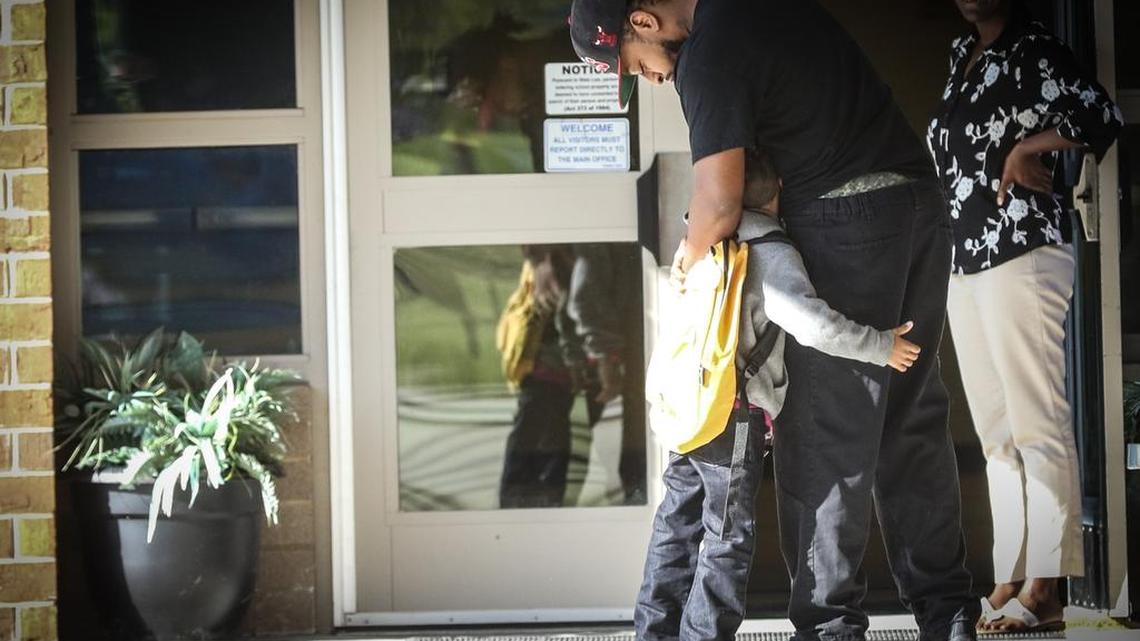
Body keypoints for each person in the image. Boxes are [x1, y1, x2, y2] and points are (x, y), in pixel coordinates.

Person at [568, 1, 978, 640]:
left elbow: (719, 198)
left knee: (824, 438)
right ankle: (949, 619)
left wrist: (687, 261)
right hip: (919, 203)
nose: (648, 79)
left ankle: (830, 628)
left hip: (849, 224)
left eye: (631, 66)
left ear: (642, 21)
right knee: (912, 421)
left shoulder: (708, 53)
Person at [635, 148, 922, 640]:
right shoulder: (768, 250)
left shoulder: (701, 240)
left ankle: (653, 631)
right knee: (727, 538)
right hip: (732, 413)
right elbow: (813, 324)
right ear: (780, 192)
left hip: (687, 408)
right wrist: (882, 346)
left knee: (676, 525)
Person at [926, 0, 1122, 633]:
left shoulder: (1033, 50)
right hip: (965, 260)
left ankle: (1047, 589)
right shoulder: (963, 58)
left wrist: (1028, 148)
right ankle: (1009, 573)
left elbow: (1100, 114)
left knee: (1038, 424)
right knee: (996, 435)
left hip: (1023, 251)